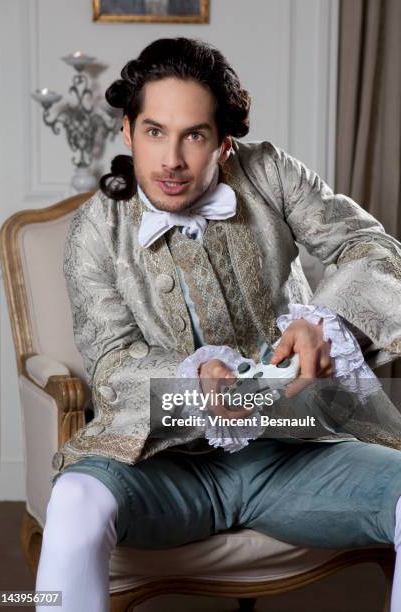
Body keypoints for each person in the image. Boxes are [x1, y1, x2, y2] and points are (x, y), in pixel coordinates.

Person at [36, 38, 401, 611]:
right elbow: (109, 364)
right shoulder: (94, 231)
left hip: (296, 453)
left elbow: (373, 247)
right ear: (128, 133)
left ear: (224, 143)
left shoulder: (270, 173)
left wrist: (328, 323)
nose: (172, 160)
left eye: (195, 135)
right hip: (160, 467)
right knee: (76, 502)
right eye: (155, 132)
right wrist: (194, 377)